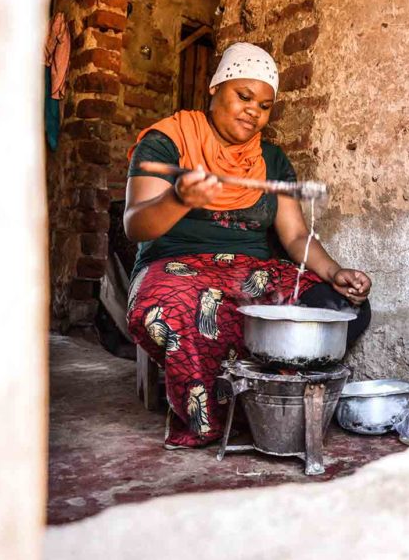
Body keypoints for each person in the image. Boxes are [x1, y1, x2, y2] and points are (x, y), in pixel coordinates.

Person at [124, 42, 372, 449]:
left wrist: (335, 273)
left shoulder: (271, 160)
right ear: (214, 87)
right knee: (172, 307)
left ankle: (271, 403)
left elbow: (293, 236)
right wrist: (180, 199)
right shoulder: (167, 142)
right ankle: (214, 419)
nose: (253, 110)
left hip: (250, 272)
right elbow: (135, 226)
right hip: (176, 267)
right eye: (243, 96)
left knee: (344, 308)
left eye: (265, 104)